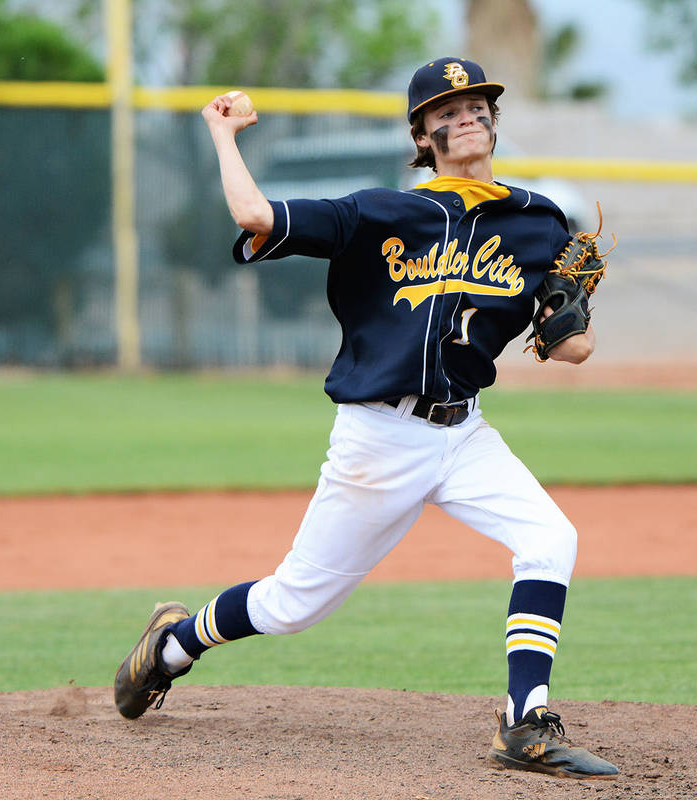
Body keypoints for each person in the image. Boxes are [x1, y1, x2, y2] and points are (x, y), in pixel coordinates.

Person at [113, 57, 619, 780]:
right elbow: (256, 218)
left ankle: (523, 720)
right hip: (378, 437)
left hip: (466, 432)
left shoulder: (539, 221)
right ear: (423, 132)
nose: (466, 114)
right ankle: (171, 645)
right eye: (447, 109)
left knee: (550, 538)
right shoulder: (378, 212)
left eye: (477, 103)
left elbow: (571, 350)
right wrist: (223, 138)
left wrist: (573, 306)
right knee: (293, 604)